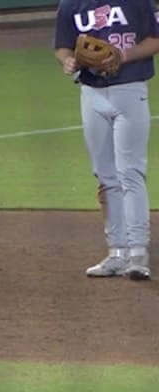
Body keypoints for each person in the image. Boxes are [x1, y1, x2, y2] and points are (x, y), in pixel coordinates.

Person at [54, 0, 159, 280]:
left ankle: (138, 253)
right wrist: (67, 60)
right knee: (105, 175)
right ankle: (117, 252)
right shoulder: (71, 5)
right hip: (91, 94)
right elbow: (62, 45)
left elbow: (155, 39)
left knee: (130, 172)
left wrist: (124, 55)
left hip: (130, 91)